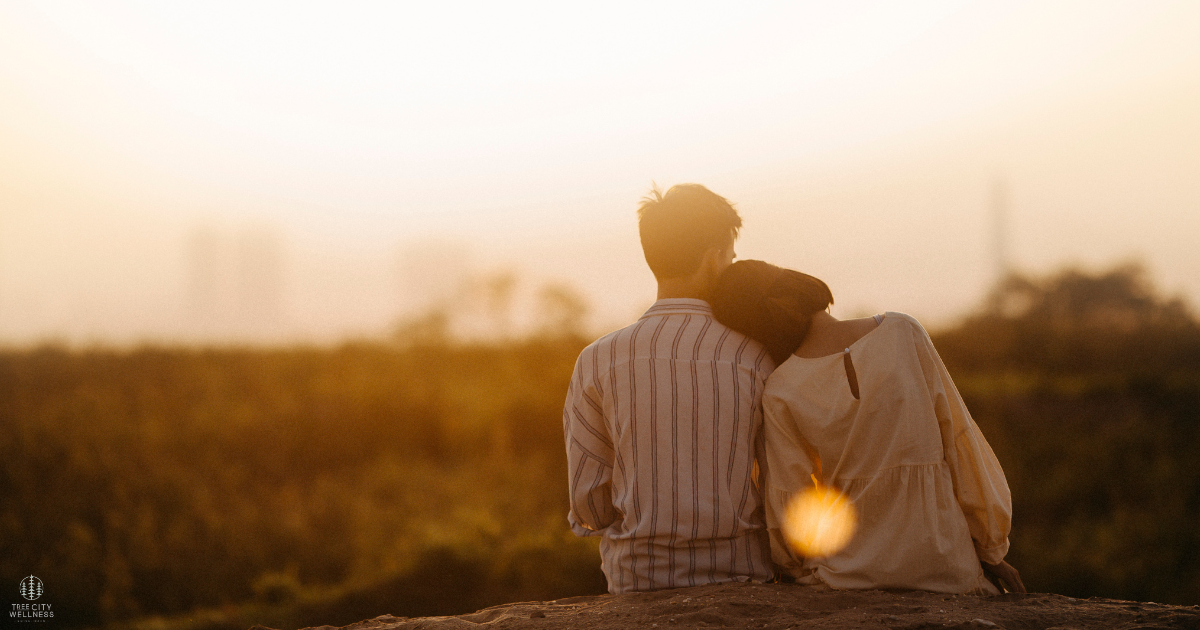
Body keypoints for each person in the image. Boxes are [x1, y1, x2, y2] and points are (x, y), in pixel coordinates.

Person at [710, 260, 1025, 595]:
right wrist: (991, 548)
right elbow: (960, 440)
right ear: (798, 283)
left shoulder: (780, 390)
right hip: (945, 565)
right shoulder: (904, 332)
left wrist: (794, 567)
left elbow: (792, 502)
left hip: (847, 576)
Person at [563, 184, 776, 594]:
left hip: (639, 580)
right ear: (715, 258)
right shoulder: (756, 356)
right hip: (742, 577)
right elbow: (780, 484)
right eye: (730, 257)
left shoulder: (597, 359)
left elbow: (588, 505)